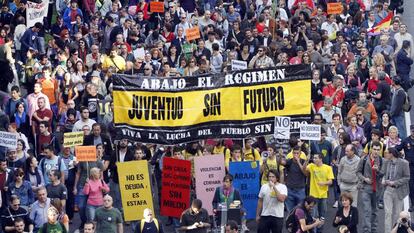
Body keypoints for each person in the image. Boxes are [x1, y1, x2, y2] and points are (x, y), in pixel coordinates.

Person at [357, 141, 384, 233]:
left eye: (378, 150)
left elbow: (383, 174)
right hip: (366, 188)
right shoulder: (364, 159)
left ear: (380, 150)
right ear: (371, 149)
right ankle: (366, 230)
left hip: (377, 189)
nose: (376, 151)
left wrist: (378, 171)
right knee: (367, 211)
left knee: (375, 211)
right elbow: (358, 172)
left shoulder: (381, 160)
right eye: (374, 149)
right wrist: (364, 179)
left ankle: (373, 230)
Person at [383, 147, 410, 233]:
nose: (386, 154)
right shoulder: (386, 162)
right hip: (388, 190)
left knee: (397, 214)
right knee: (388, 213)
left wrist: (394, 182)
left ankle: (395, 231)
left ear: (391, 154)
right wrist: (384, 180)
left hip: (398, 191)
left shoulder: (404, 163)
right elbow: (383, 173)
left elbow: (407, 177)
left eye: (387, 153)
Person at [305, 153, 334, 233]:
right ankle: (313, 231)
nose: (314, 159)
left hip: (323, 195)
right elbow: (304, 169)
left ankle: (320, 230)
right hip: (313, 195)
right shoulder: (311, 166)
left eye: (316, 158)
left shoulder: (327, 168)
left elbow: (331, 181)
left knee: (322, 215)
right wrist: (306, 160)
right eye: (313, 158)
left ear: (321, 159)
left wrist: (324, 183)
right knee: (313, 215)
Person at [284, 145, 308, 212]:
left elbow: (305, 173)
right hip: (290, 189)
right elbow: (282, 162)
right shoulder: (289, 161)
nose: (296, 155)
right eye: (294, 153)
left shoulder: (303, 162)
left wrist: (298, 162)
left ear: (300, 154)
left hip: (300, 190)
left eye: (297, 153)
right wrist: (280, 155)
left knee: (300, 211)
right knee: (290, 212)